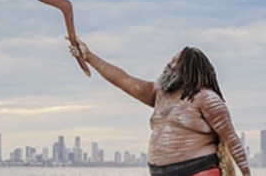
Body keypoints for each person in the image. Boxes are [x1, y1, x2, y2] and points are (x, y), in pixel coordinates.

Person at [68, 39, 251, 176]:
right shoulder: (159, 95)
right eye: (170, 61)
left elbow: (232, 140)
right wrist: (89, 56)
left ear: (188, 70)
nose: (168, 65)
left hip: (198, 171)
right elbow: (123, 79)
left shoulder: (206, 99)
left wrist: (246, 174)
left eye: (175, 63)